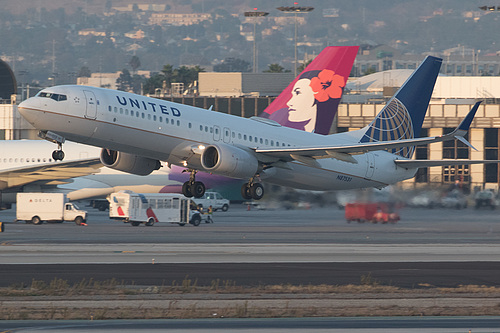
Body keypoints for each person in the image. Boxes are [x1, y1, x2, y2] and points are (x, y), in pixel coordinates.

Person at [263, 69, 346, 134]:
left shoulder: (281, 125)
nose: (289, 103)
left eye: (298, 93)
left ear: (319, 95)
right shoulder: (279, 116)